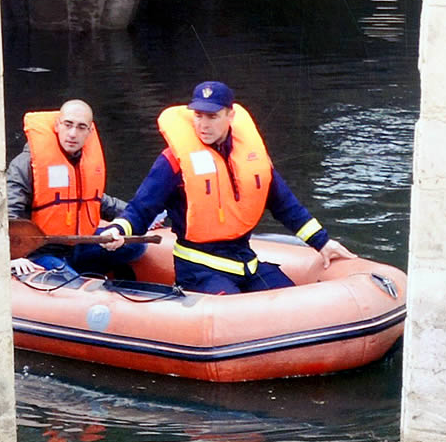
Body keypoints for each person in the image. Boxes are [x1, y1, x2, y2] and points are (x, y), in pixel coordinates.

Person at [98, 81, 355, 294]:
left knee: (293, 304)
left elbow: (285, 206)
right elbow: (142, 208)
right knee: (241, 316)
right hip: (198, 268)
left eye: (212, 116)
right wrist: (119, 229)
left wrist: (322, 242)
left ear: (230, 116)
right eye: (198, 116)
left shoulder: (251, 157)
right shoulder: (174, 161)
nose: (203, 125)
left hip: (246, 262)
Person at [7, 99, 146, 277]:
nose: (73, 133)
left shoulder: (83, 163)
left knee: (136, 246)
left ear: (89, 132)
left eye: (81, 127)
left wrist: (136, 216)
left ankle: (90, 272)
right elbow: (10, 214)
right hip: (41, 250)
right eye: (68, 125)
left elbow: (99, 201)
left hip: (79, 243)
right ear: (57, 126)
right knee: (71, 284)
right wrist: (12, 255)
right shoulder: (25, 165)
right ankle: (79, 281)